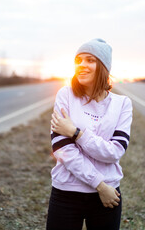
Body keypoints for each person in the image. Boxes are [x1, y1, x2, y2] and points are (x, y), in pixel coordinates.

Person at [46, 38, 133, 230]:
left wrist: (76, 133)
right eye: (79, 60)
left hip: (108, 198)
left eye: (90, 60)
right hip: (67, 192)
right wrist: (100, 185)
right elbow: (63, 149)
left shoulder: (122, 104)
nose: (82, 65)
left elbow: (114, 152)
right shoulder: (65, 95)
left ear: (103, 66)